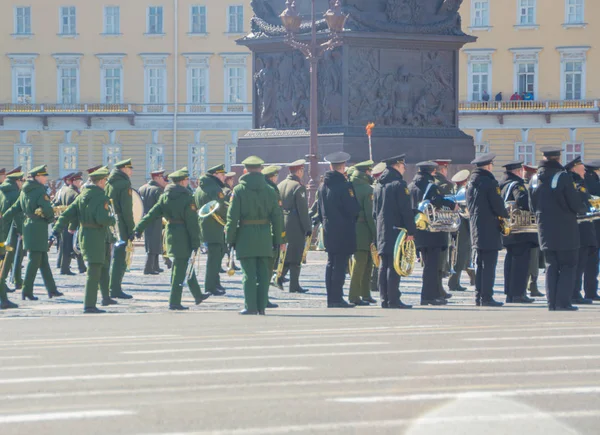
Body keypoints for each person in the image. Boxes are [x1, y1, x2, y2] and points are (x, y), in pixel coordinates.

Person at [135, 168, 210, 310]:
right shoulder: (187, 198)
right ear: (182, 181)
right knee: (180, 269)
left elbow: (151, 214)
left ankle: (197, 295)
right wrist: (196, 242)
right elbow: (192, 223)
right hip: (184, 236)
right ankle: (174, 301)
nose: (188, 181)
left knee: (184, 266)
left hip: (170, 235)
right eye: (187, 179)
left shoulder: (165, 196)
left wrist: (138, 228)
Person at [53, 167, 119, 313]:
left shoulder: (81, 195)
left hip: (90, 236)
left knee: (104, 267)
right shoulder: (100, 197)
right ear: (101, 181)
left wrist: (55, 230)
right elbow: (102, 219)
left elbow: (67, 215)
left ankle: (105, 297)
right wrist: (112, 219)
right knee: (95, 270)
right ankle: (89, 304)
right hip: (97, 236)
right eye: (105, 180)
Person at [225, 156, 284, 315]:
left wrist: (229, 239)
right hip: (265, 236)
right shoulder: (270, 190)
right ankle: (262, 307)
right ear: (261, 170)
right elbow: (277, 217)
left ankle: (250, 306)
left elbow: (232, 218)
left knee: (249, 274)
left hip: (245, 236)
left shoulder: (238, 190)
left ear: (245, 170)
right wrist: (279, 239)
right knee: (264, 273)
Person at [530, 147, 584, 311]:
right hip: (565, 228)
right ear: (558, 159)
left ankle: (551, 302)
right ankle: (563, 302)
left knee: (551, 265)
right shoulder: (563, 177)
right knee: (568, 265)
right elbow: (574, 204)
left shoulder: (534, 178)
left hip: (545, 228)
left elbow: (531, 207)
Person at [4, 165, 63, 301]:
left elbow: (15, 207)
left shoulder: (25, 190)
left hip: (29, 226)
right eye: (43, 176)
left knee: (43, 261)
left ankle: (52, 289)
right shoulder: (39, 191)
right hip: (38, 228)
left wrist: (4, 216)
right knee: (34, 261)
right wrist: (51, 219)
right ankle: (27, 290)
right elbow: (47, 208)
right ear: (37, 177)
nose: (45, 178)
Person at [315, 151, 360, 308]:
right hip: (343, 231)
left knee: (331, 263)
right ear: (343, 167)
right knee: (340, 265)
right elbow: (354, 209)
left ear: (330, 166)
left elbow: (319, 211)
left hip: (328, 230)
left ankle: (331, 297)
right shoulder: (344, 186)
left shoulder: (322, 186)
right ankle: (337, 298)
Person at [410, 161, 456, 306]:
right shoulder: (430, 185)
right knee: (432, 266)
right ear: (432, 172)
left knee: (428, 265)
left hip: (419, 229)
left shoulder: (411, 186)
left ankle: (432, 294)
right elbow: (436, 200)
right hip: (432, 231)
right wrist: (450, 204)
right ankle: (429, 296)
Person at [373, 154, 415, 309]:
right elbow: (405, 210)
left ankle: (384, 299)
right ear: (397, 165)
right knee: (394, 265)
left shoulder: (379, 185)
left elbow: (374, 212)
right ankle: (393, 299)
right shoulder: (399, 184)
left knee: (384, 265)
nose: (404, 168)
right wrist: (411, 230)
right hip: (396, 230)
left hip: (381, 229)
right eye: (403, 165)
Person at [466, 153, 508, 307]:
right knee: (489, 264)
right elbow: (497, 204)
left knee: (479, 263)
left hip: (475, 225)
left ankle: (478, 296)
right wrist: (505, 213)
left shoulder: (470, 183)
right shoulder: (490, 182)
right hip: (489, 226)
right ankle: (487, 297)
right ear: (488, 166)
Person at [499, 161, 536, 304]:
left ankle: (510, 293)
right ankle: (518, 294)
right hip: (520, 229)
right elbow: (522, 200)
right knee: (521, 263)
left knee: (511, 261)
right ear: (518, 171)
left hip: (508, 228)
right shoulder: (516, 185)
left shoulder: (503, 184)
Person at [277, 159, 312, 293]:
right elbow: (303, 210)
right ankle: (294, 285)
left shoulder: (280, 185)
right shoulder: (298, 187)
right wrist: (308, 228)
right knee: (296, 255)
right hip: (295, 223)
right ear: (299, 171)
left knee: (286, 253)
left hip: (283, 221)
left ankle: (279, 277)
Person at [194, 164, 228, 296]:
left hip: (205, 226)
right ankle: (210, 285)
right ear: (215, 175)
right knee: (214, 258)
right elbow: (221, 207)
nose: (224, 177)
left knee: (215, 256)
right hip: (215, 226)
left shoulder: (200, 188)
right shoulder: (214, 188)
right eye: (222, 174)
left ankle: (215, 282)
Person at [566, 157, 595, 306]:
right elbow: (583, 203)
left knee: (580, 264)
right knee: (578, 264)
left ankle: (575, 292)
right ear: (574, 168)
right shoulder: (576, 183)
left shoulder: (577, 181)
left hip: (582, 228)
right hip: (580, 229)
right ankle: (574, 293)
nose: (584, 170)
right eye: (581, 167)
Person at [348, 160, 377, 306]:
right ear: (366, 172)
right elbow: (370, 215)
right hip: (364, 230)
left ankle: (365, 294)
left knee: (364, 263)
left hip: (350, 228)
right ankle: (355, 295)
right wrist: (376, 234)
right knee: (362, 264)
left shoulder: (349, 185)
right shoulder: (367, 189)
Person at [105, 159, 135, 300]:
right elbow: (127, 209)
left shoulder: (108, 183)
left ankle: (110, 287)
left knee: (110, 257)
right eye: (130, 169)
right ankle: (115, 288)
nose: (131, 172)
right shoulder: (124, 184)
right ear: (124, 169)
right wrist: (131, 228)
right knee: (120, 257)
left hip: (110, 223)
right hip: (121, 224)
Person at [0, 167, 25, 294]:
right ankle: (12, 280)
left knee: (7, 255)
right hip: (12, 230)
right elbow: (17, 215)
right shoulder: (15, 193)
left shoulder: (3, 190)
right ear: (17, 181)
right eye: (22, 181)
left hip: (4, 229)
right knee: (13, 255)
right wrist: (21, 230)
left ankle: (15, 280)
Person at [447, 169, 472, 292]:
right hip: (462, 227)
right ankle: (453, 282)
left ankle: (455, 281)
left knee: (459, 256)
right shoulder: (463, 192)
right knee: (460, 256)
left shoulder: (456, 190)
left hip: (458, 226)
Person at [139, 169, 167, 275]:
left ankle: (155, 265)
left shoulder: (142, 188)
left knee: (151, 242)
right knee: (154, 243)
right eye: (161, 178)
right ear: (156, 178)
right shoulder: (157, 190)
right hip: (155, 218)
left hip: (144, 218)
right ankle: (148, 267)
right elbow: (162, 206)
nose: (163, 180)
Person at [58, 172, 86, 276]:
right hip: (72, 223)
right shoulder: (75, 194)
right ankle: (69, 268)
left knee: (66, 246)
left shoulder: (64, 190)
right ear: (73, 181)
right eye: (78, 181)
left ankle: (69, 267)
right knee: (75, 245)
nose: (80, 183)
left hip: (65, 221)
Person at [523, 164, 545, 297]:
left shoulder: (523, 185)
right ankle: (533, 285)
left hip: (525, 227)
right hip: (532, 226)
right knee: (534, 258)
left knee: (532, 258)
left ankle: (531, 285)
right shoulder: (532, 187)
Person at [433, 159, 455, 284]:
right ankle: (439, 287)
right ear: (443, 169)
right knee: (443, 256)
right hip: (443, 222)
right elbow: (449, 206)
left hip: (431, 223)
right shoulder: (446, 185)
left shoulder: (430, 182)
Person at [583, 160, 600, 301]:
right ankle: (591, 291)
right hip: (595, 228)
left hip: (588, 227)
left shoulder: (585, 180)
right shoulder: (594, 183)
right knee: (592, 263)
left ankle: (589, 291)